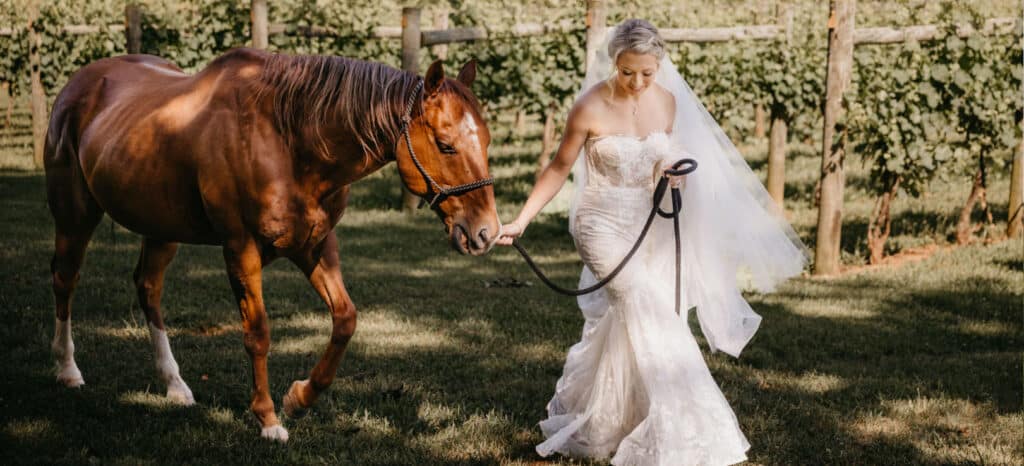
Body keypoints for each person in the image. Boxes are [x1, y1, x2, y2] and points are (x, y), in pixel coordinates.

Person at [496, 19, 808, 465]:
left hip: (652, 224)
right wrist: (521, 220)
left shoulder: (668, 101)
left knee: (640, 318)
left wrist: (672, 172)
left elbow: (665, 155)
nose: (638, 82)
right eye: (628, 72)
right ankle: (692, 429)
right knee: (646, 305)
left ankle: (610, 419)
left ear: (658, 64)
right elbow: (558, 168)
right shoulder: (589, 106)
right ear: (614, 63)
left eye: (647, 72)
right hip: (600, 222)